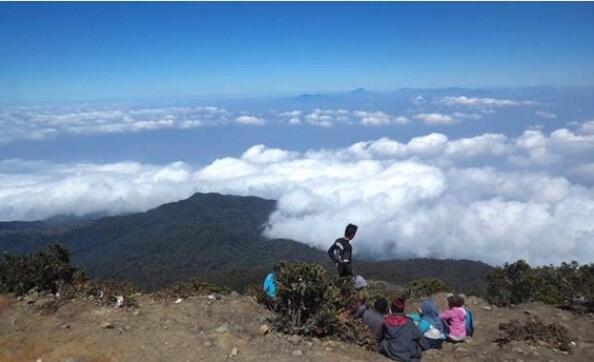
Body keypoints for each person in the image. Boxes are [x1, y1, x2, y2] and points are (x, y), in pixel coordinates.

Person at [378, 298, 429, 362]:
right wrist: (425, 346)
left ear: (391, 309)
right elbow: (420, 338)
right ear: (403, 309)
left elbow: (382, 336)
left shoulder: (386, 322)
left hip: (393, 353)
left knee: (383, 342)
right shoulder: (409, 322)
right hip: (409, 354)